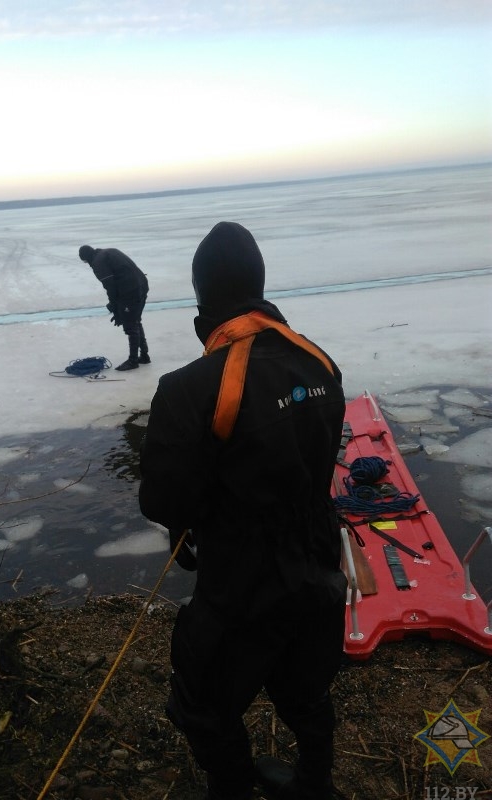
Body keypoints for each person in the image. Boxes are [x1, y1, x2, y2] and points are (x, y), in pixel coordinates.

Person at [138, 221, 347, 800]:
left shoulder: (188, 388)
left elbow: (160, 498)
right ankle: (315, 784)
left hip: (242, 585)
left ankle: (233, 791)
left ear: (203, 304)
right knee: (306, 687)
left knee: (202, 703)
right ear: (260, 285)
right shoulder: (319, 362)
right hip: (319, 563)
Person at [79, 244, 150, 371]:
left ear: (86, 258)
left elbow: (110, 287)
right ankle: (144, 355)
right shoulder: (109, 251)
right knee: (135, 319)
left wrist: (115, 307)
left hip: (130, 290)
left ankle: (133, 361)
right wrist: (117, 309)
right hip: (142, 284)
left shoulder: (98, 262)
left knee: (130, 324)